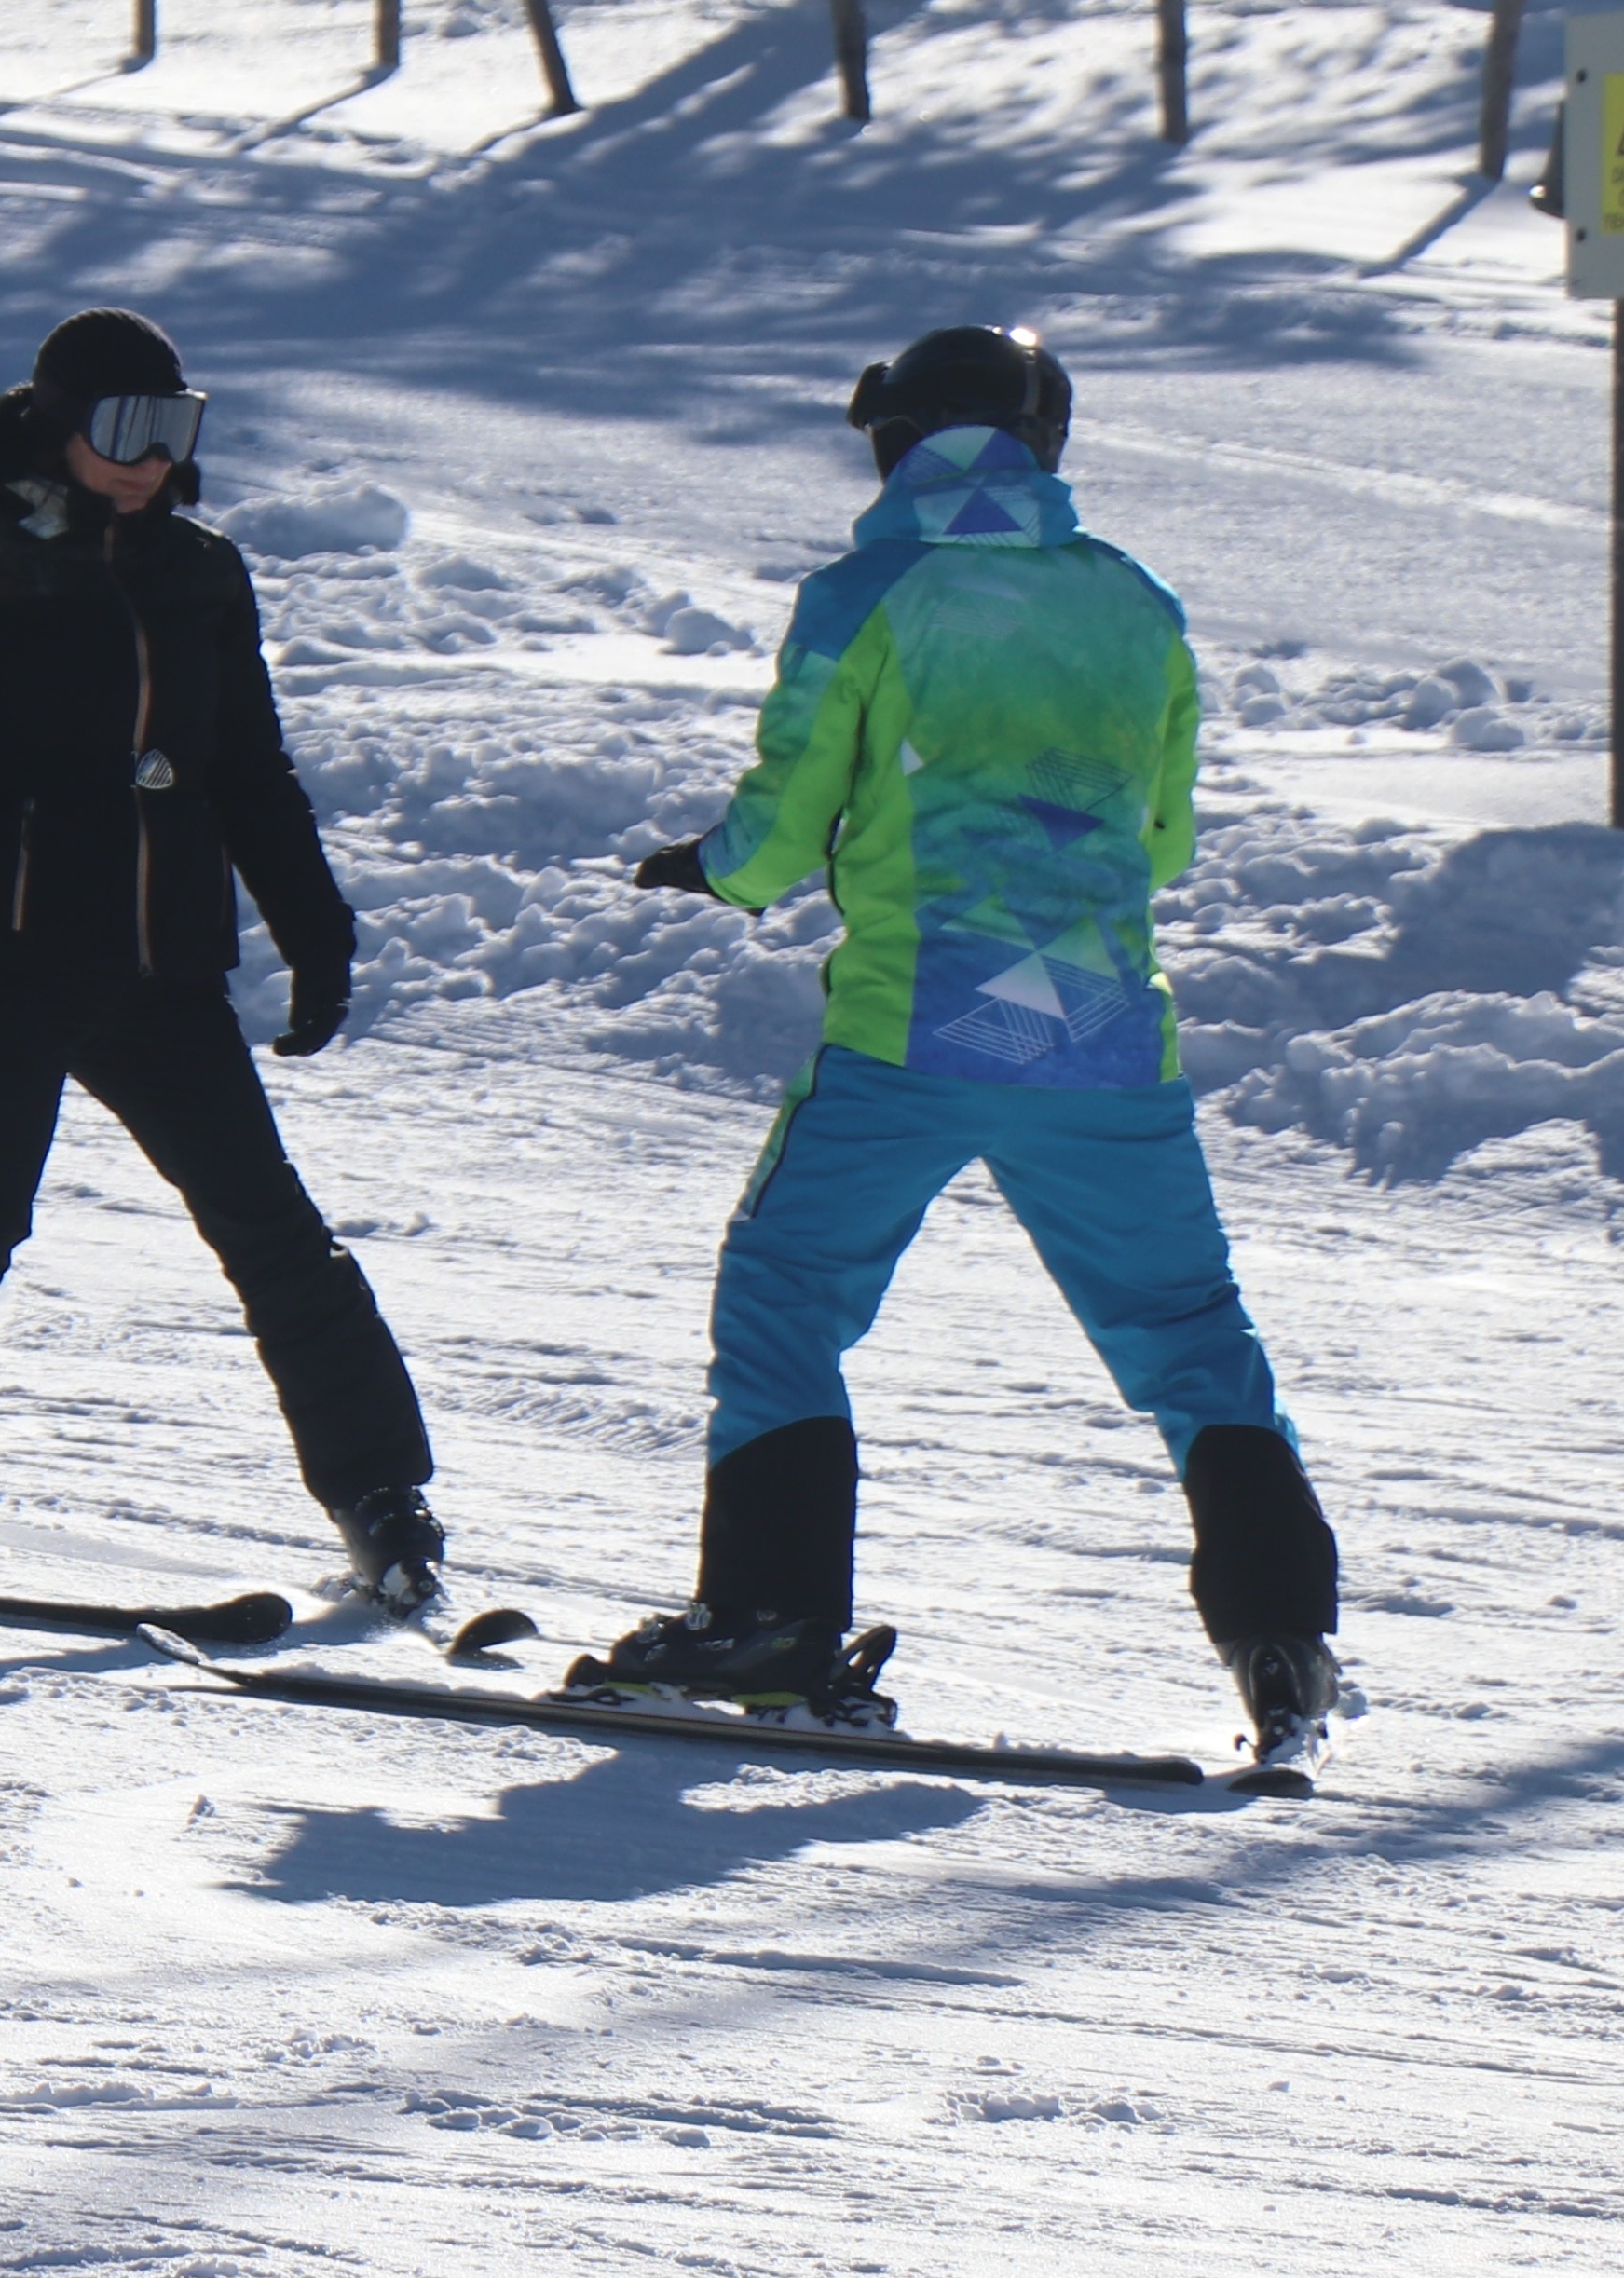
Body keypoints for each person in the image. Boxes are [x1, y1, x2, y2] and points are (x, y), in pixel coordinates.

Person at [570, 323, 1344, 1769]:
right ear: (1047, 444)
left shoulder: (869, 591)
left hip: (921, 1025)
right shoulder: (1136, 602)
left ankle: (768, 1617)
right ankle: (1283, 1639)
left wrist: (718, 869)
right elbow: (1162, 834)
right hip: (1104, 1028)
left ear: (894, 442)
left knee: (790, 1288)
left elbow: (791, 810)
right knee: (1187, 1335)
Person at [0, 308, 453, 1617]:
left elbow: (251, 772)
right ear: (56, 425)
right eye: (124, 430)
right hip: (6, 944)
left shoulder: (203, 571)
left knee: (270, 1227)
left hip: (160, 955)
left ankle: (380, 1491)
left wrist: (316, 932)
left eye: (174, 431)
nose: (150, 459)